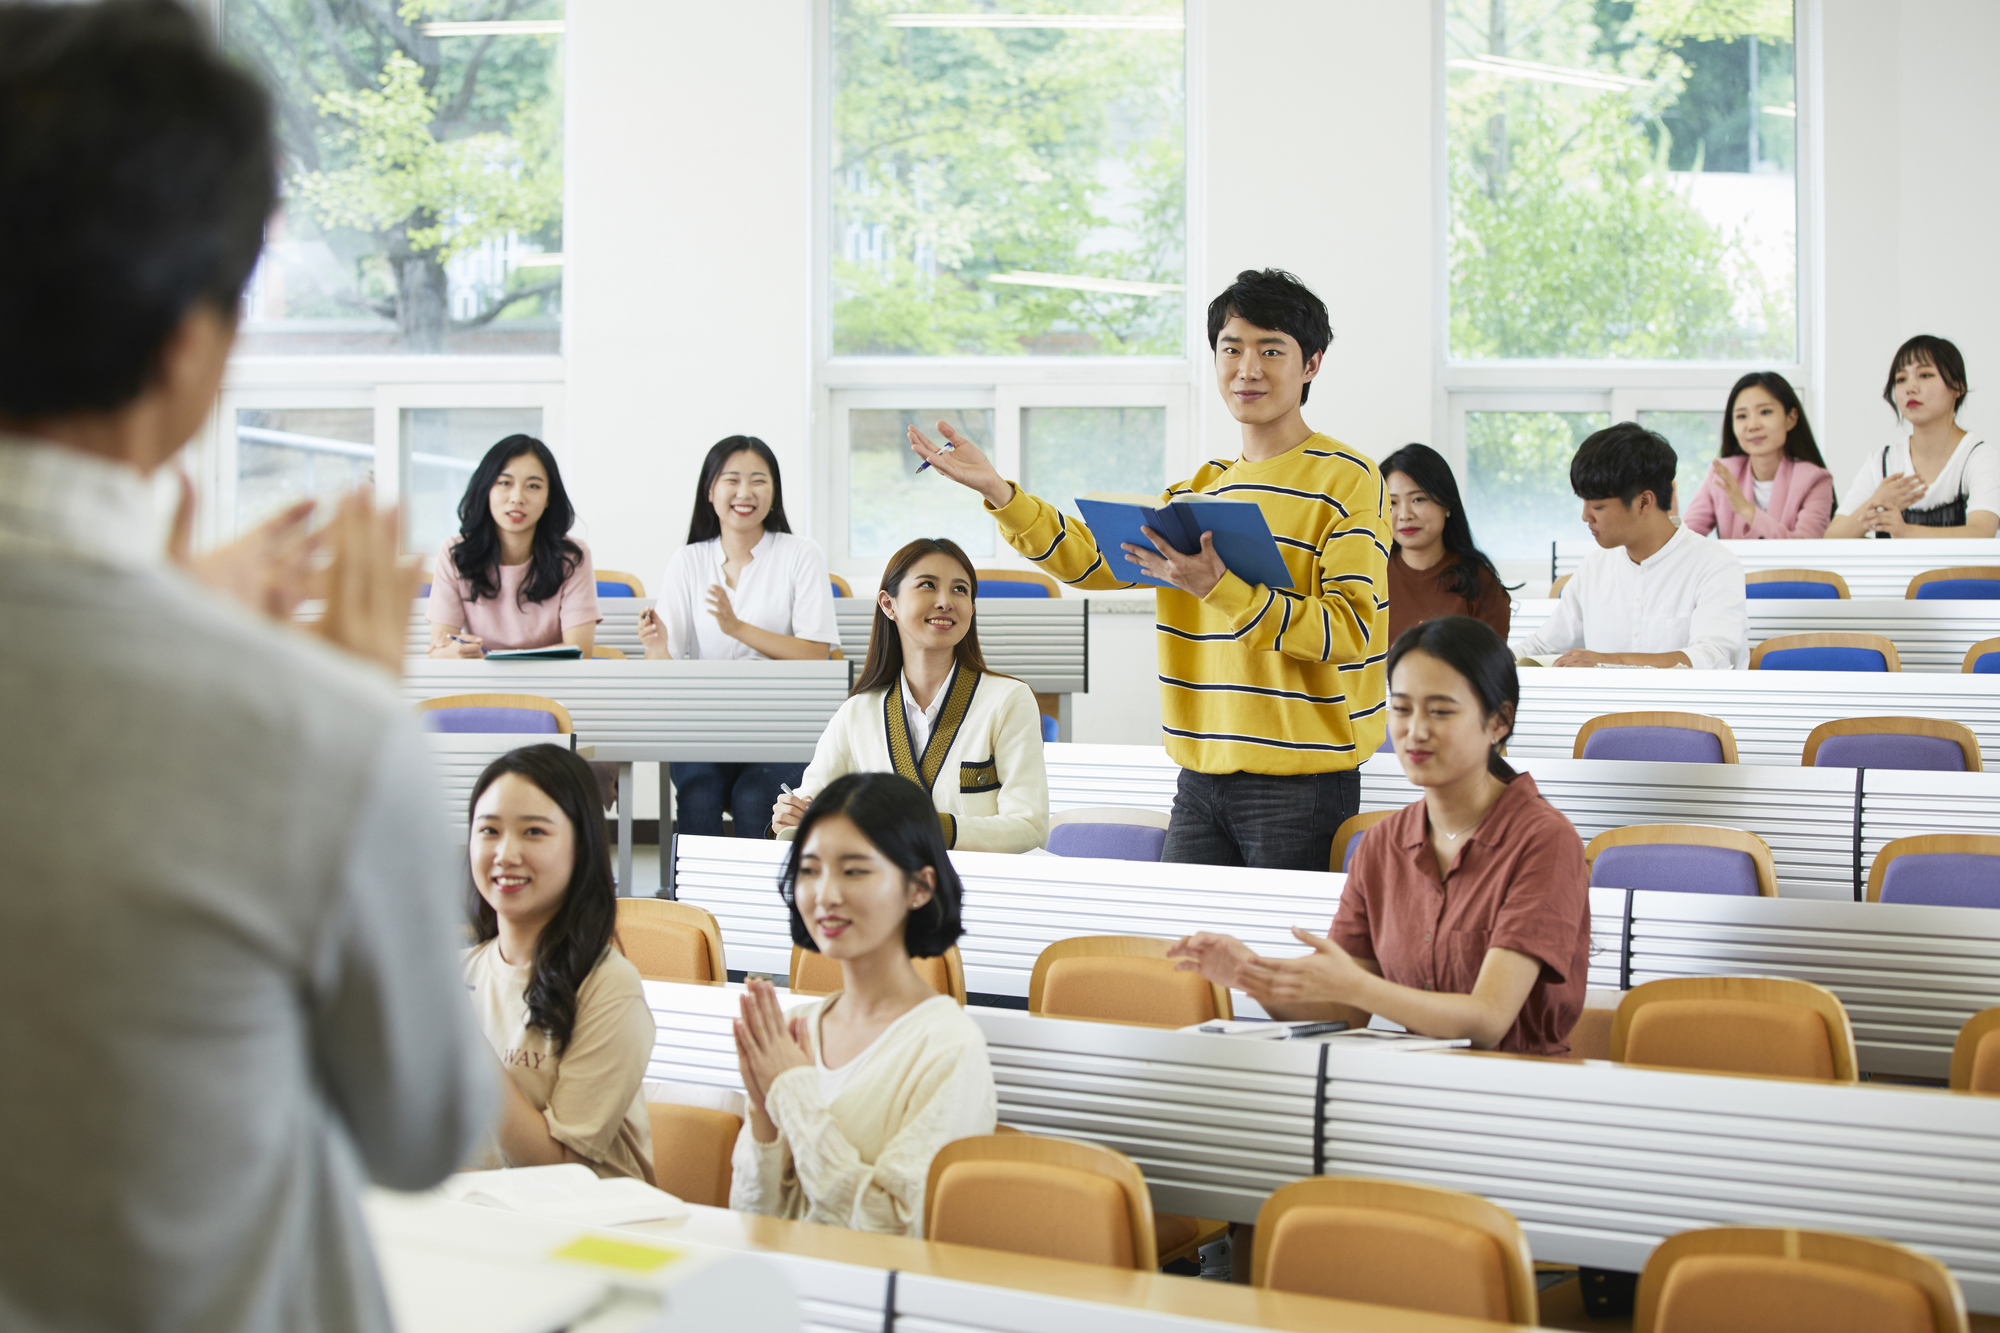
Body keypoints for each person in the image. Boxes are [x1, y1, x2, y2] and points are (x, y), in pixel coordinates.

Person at [0, 5, 492, 1330]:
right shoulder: (312, 732)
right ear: (187, 345)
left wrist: (167, 601)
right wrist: (349, 712)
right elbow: (425, 1128)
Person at [911, 269, 1387, 870]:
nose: (1248, 369)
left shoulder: (1348, 478)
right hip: (1199, 778)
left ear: (1311, 364)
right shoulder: (1198, 491)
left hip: (1301, 782)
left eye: (1272, 350)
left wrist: (1222, 588)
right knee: (1180, 957)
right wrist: (1002, 493)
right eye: (1231, 349)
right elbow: (1091, 562)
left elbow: (1353, 631)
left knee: (1271, 961)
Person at [1170, 617, 1589, 1057]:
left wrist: (1360, 987)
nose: (1415, 731)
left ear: (1499, 722)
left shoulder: (1544, 840)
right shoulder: (1383, 843)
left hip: (1522, 1095)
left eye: (1441, 710)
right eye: (1403, 708)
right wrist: (1255, 976)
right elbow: (1344, 1010)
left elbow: (1487, 1021)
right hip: (1409, 1088)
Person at [732, 772, 997, 1236]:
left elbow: (889, 1227)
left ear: (919, 887)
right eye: (810, 870)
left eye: (854, 870)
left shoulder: (949, 1046)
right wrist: (762, 1114)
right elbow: (752, 1222)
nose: (826, 895)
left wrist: (791, 1092)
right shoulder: (793, 1030)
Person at [773, 538, 1048, 853]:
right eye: (928, 585)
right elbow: (809, 809)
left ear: (972, 609)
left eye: (960, 590)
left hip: (978, 889)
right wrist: (790, 820)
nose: (945, 601)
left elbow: (1031, 828)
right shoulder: (858, 712)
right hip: (880, 893)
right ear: (889, 604)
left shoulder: (1010, 700)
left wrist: (916, 827)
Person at [463, 745, 656, 1182]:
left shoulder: (608, 986)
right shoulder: (458, 973)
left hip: (588, 1232)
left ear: (581, 846)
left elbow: (560, 1172)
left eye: (533, 832)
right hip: (475, 1222)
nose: (505, 854)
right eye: (488, 830)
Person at [640, 435, 838, 838]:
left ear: (774, 491)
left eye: (758, 480)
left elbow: (818, 654)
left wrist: (737, 629)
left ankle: (756, 901)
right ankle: (692, 902)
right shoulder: (688, 560)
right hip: (704, 726)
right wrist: (657, 648)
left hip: (784, 727)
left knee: (755, 799)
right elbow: (666, 674)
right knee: (700, 793)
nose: (744, 492)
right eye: (731, 480)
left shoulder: (800, 553)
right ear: (710, 491)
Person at [1520, 423, 1747, 670]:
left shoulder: (1715, 564)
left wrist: (1609, 661)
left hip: (1684, 709)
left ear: (1644, 502)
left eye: (1597, 506)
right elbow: (1542, 648)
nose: (1585, 516)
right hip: (1601, 709)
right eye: (1584, 503)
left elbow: (1715, 657)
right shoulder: (1594, 567)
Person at [428, 433, 601, 657]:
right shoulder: (455, 553)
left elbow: (580, 651)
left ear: (549, 497)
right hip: (479, 688)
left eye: (533, 486)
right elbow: (439, 649)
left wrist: (491, 660)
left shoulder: (573, 557)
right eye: (504, 483)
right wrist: (453, 653)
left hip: (551, 688)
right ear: (486, 489)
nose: (517, 497)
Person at [1824, 335, 1998, 539]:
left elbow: (1981, 533)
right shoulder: (1882, 461)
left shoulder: (1980, 457)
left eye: (1925, 375)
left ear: (1958, 386)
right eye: (1901, 379)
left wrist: (1907, 532)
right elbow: (1833, 538)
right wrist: (1879, 500)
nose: (1910, 388)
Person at [1381, 443, 1510, 644]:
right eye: (1392, 503)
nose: (1405, 515)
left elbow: (1490, 667)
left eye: (1418, 499)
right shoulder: (1371, 576)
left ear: (1447, 504)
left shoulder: (1480, 581)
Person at [1680, 372, 1835, 539]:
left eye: (1765, 412)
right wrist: (1667, 519)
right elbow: (1688, 537)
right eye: (1741, 416)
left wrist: (1746, 510)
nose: (1752, 425)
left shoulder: (1815, 480)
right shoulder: (1723, 473)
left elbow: (1806, 548)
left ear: (1791, 418)